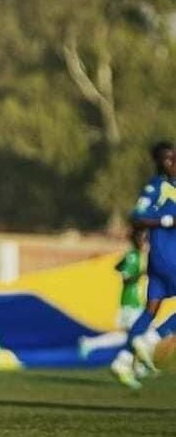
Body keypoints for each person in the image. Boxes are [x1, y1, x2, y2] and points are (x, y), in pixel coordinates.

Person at [111, 140, 176, 388]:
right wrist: (168, 221)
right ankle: (152, 339)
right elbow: (137, 217)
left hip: (157, 261)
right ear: (160, 162)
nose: (172, 163)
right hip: (168, 256)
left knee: (151, 309)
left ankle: (124, 358)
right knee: (151, 314)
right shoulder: (158, 187)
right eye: (168, 159)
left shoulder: (170, 186)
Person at [79, 229, 147, 360]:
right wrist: (142, 273)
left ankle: (90, 343)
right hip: (131, 302)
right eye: (144, 239)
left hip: (134, 301)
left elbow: (118, 267)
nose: (146, 243)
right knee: (140, 335)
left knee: (127, 336)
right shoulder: (133, 256)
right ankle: (135, 366)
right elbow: (126, 276)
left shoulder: (135, 255)